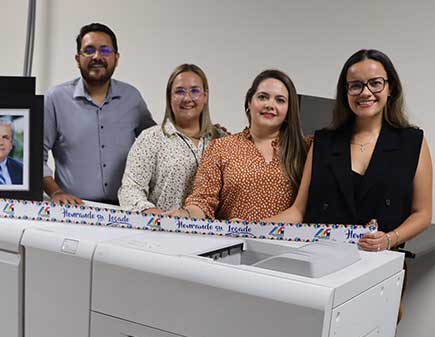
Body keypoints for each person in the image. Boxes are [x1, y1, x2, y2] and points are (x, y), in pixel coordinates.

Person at [268, 49, 433, 337]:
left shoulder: (412, 142)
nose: (365, 92)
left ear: (390, 88)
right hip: (319, 268)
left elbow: (423, 213)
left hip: (379, 268)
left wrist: (390, 238)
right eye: (356, 84)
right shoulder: (323, 142)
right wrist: (261, 228)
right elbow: (299, 209)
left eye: (375, 83)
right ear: (345, 92)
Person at [173, 69, 310, 220]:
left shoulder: (306, 149)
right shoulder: (221, 147)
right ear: (249, 103)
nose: (270, 105)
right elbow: (202, 201)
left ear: (290, 109)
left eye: (280, 100)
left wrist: (252, 229)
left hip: (287, 242)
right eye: (263, 97)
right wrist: (185, 214)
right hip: (235, 241)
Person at [42, 22, 155, 205]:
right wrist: (56, 192)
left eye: (105, 50)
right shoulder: (55, 99)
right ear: (78, 58)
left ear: (116, 58)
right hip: (75, 209)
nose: (97, 56)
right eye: (89, 50)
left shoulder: (132, 98)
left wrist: (201, 132)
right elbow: (35, 157)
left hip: (125, 209)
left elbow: (157, 144)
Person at [118, 64, 225, 213]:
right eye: (179, 91)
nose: (187, 98)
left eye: (195, 91)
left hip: (211, 234)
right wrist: (152, 214)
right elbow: (130, 189)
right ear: (170, 97)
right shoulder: (151, 139)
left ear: (205, 96)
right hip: (163, 230)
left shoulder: (222, 140)